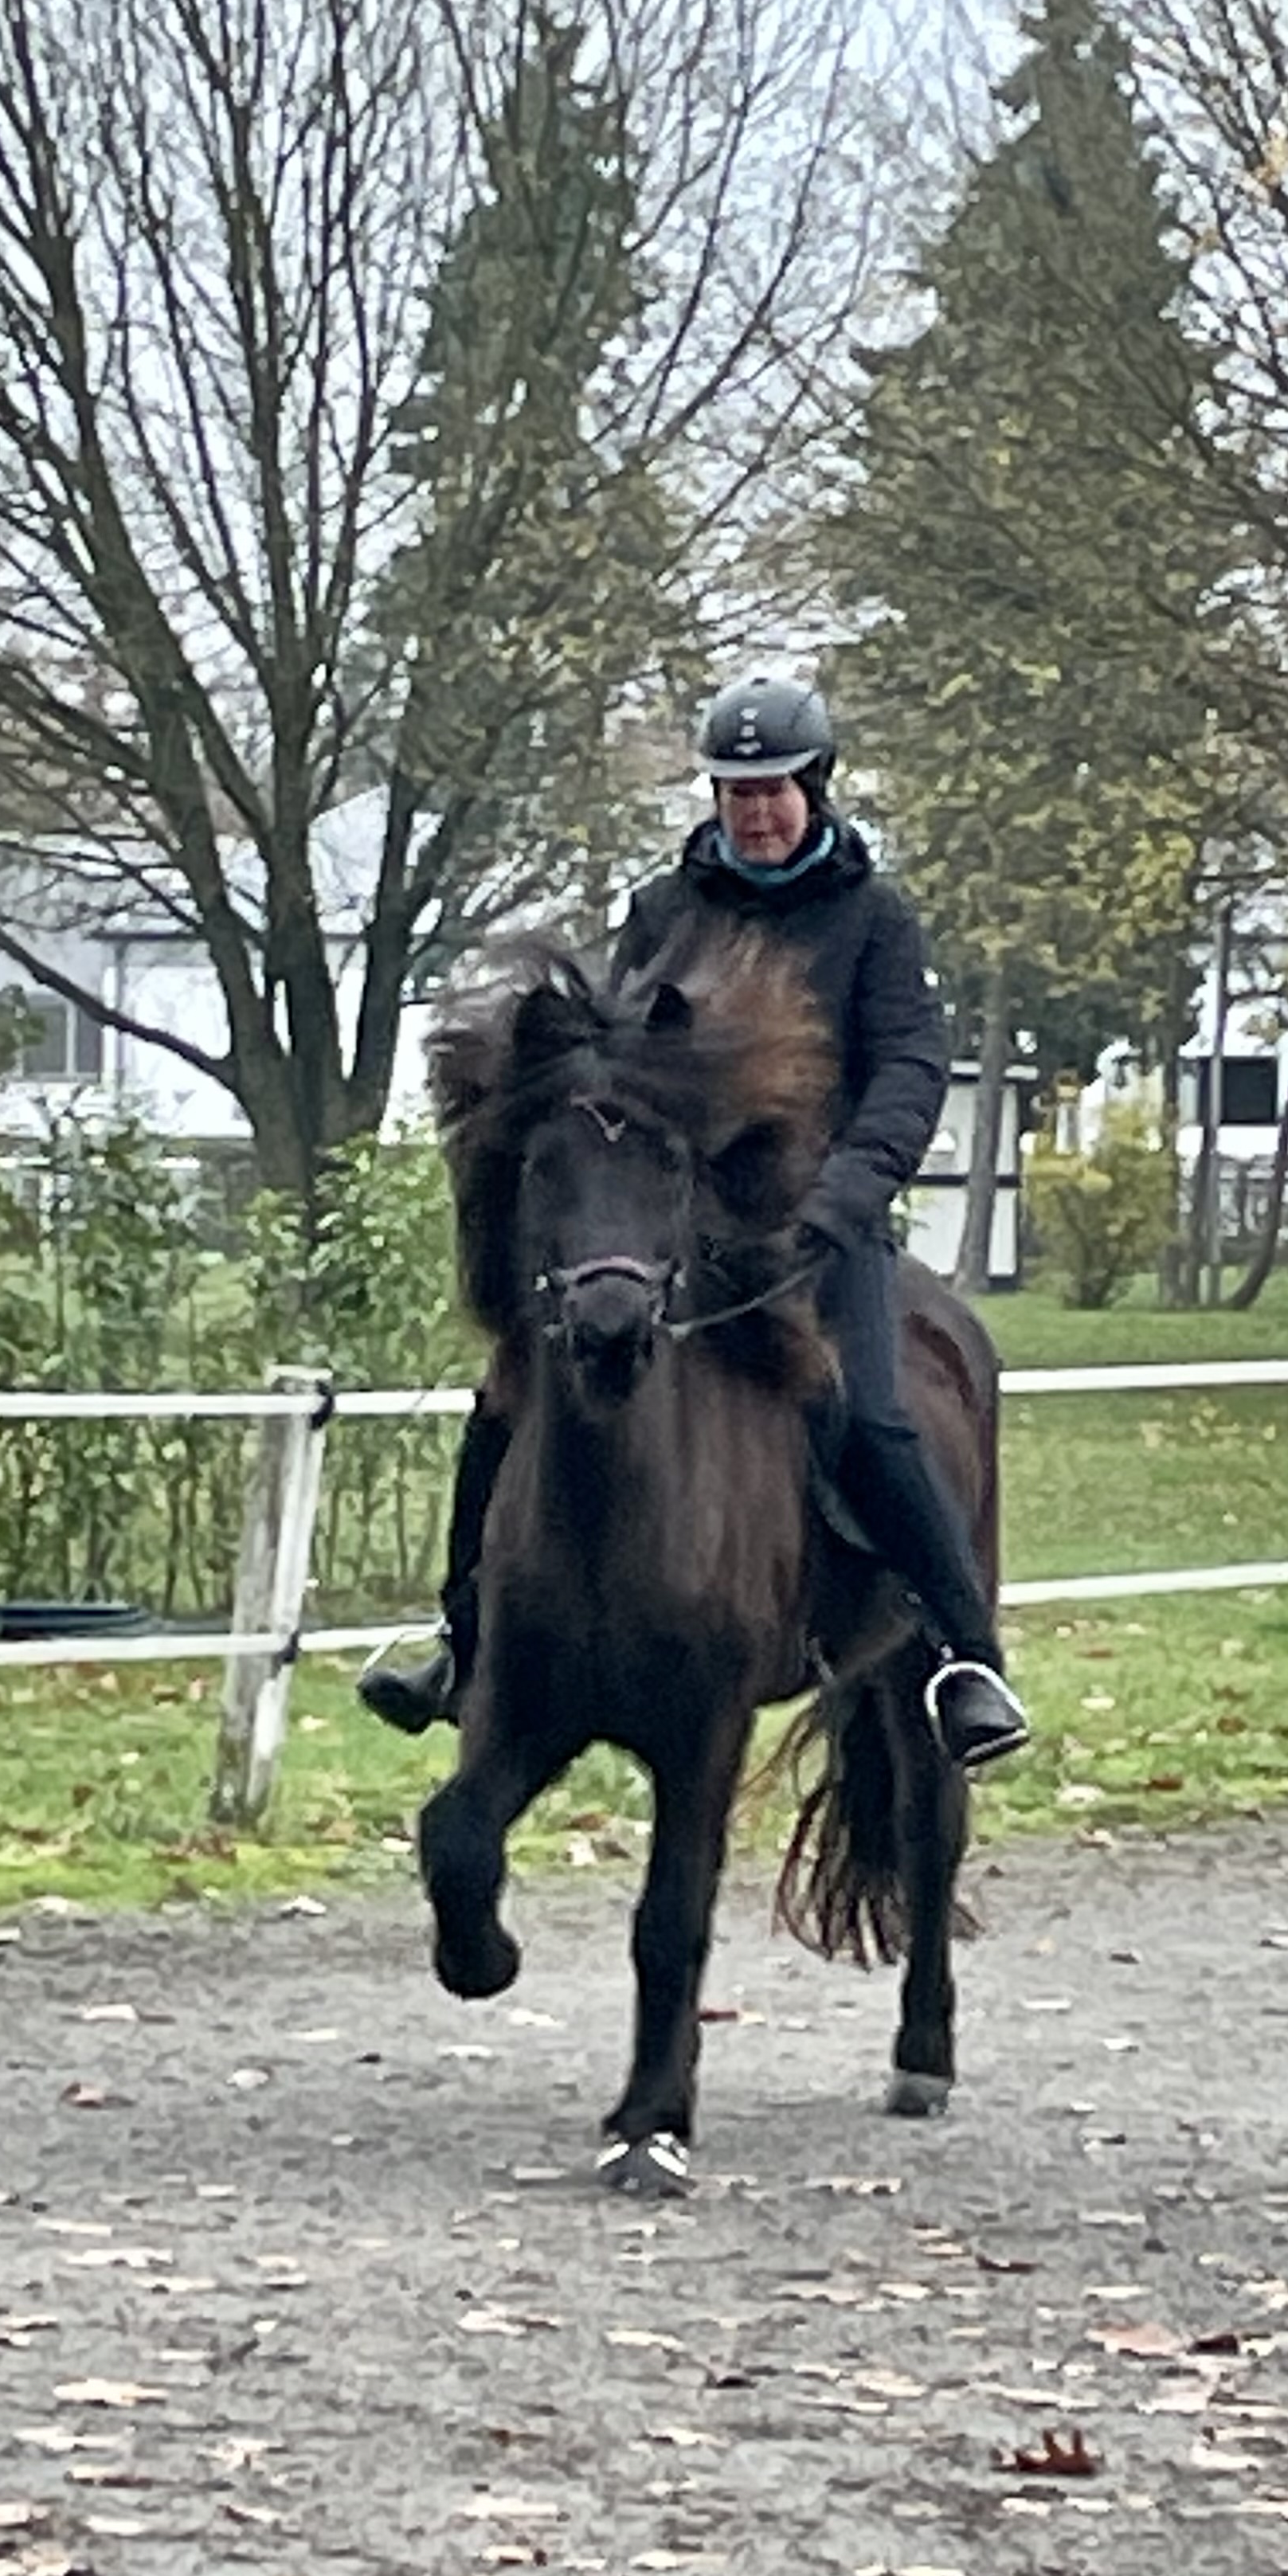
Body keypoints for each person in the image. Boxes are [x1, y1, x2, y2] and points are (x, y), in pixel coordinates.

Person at [360, 671, 1031, 1771]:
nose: (756, 812)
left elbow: (910, 1070)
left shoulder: (872, 919)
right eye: (735, 791)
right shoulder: (668, 912)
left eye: (773, 791)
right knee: (510, 1397)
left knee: (870, 1417)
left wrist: (842, 1199)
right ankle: (460, 1639)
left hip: (820, 1227)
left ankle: (966, 1659)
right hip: (676, 1230)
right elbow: (617, 1058)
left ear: (813, 787)